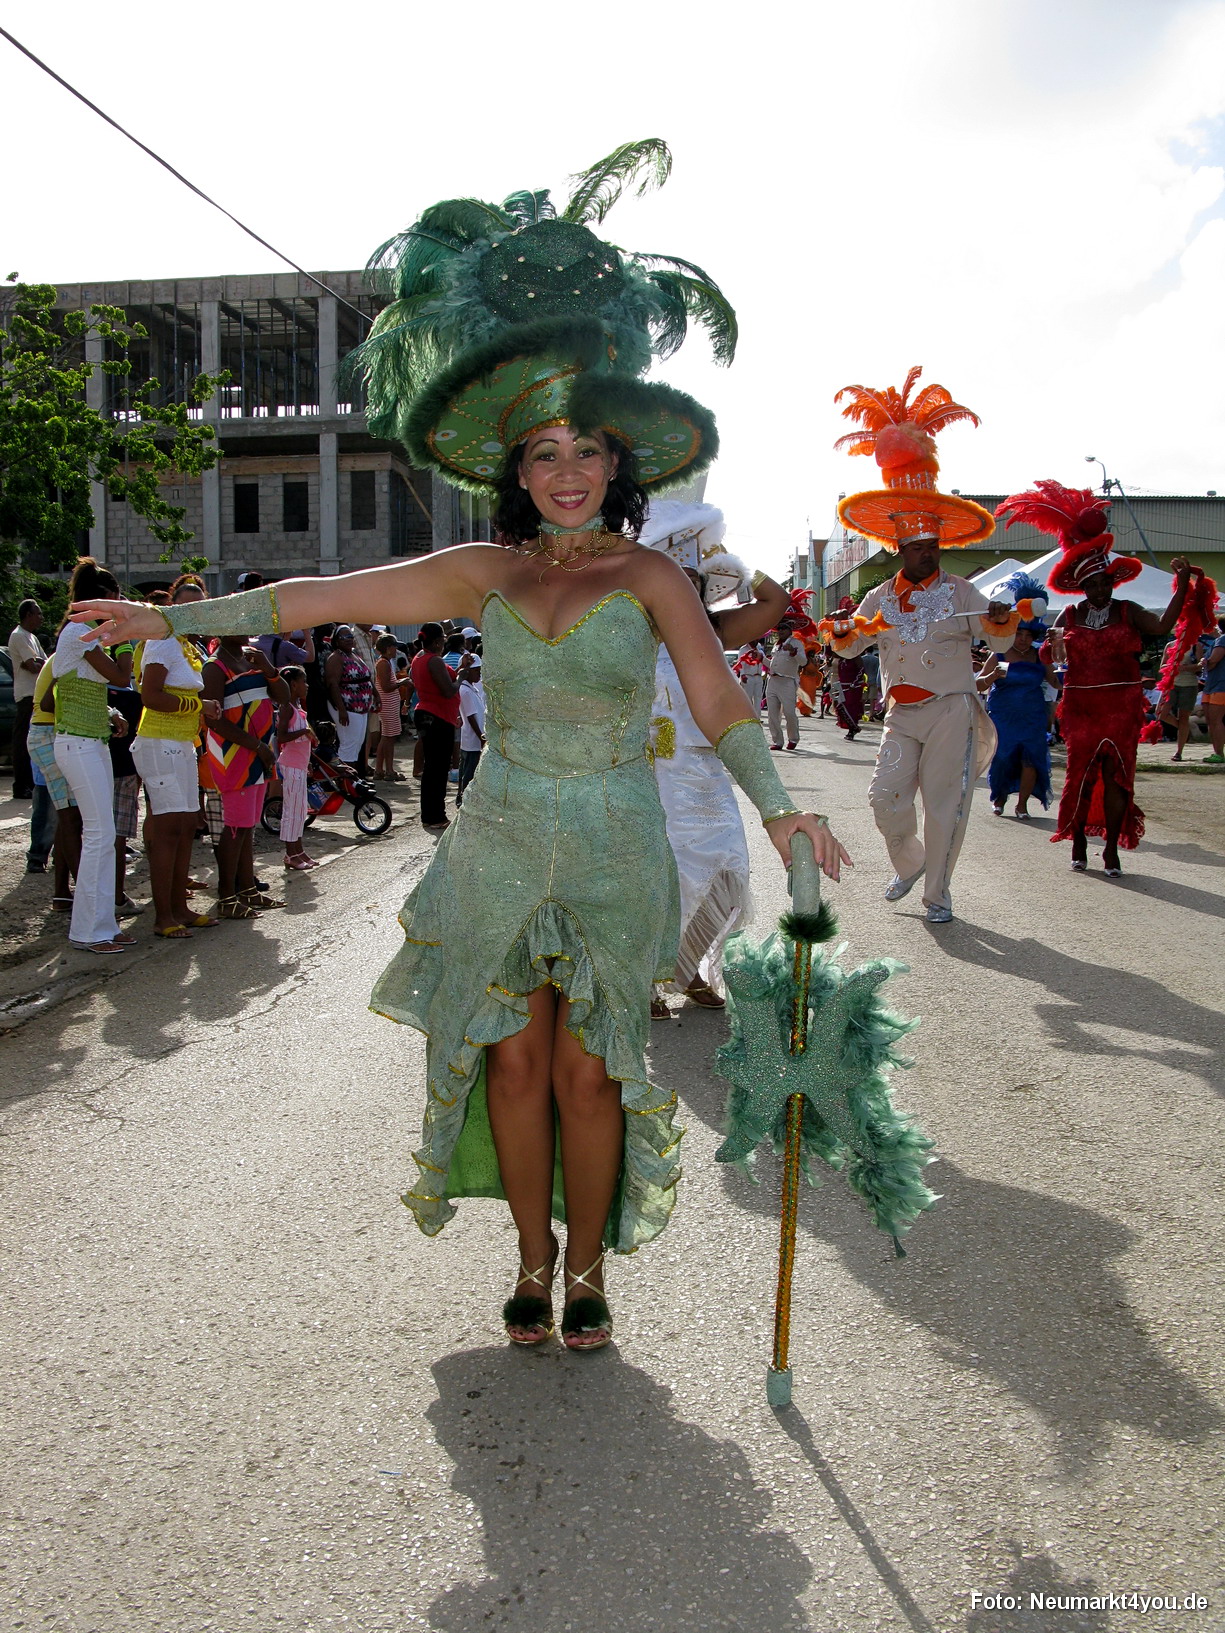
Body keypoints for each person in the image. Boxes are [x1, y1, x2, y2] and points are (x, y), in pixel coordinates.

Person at [69, 141, 847, 1353]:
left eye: (589, 450)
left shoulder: (653, 577)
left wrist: (782, 810)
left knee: (592, 1071)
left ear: (618, 463)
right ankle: (530, 1261)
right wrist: (166, 617)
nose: (570, 470)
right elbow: (314, 600)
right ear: (516, 469)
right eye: (546, 452)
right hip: (497, 837)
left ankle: (589, 1267)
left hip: (608, 840)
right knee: (515, 1067)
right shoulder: (479, 571)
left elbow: (716, 702)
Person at [820, 369, 1018, 923]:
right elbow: (851, 646)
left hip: (952, 710)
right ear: (900, 547)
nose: (924, 554)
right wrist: (842, 634)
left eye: (931, 545)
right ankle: (910, 863)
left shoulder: (961, 591)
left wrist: (1002, 621)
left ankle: (937, 893)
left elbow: (997, 633)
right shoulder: (880, 594)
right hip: (901, 713)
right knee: (885, 798)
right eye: (914, 546)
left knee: (946, 808)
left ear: (940, 543)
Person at [996, 479, 1193, 876]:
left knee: (1118, 778)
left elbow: (1162, 627)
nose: (1101, 589)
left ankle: (1112, 852)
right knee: (1082, 777)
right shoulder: (1069, 617)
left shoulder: (1129, 610)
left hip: (1121, 705)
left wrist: (1183, 586)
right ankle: (1081, 842)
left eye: (1105, 582)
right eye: (1093, 584)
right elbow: (1046, 654)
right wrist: (1047, 650)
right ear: (1082, 587)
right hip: (1083, 706)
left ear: (1113, 581)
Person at [637, 500, 789, 1015]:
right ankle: (649, 980)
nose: (680, 588)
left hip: (703, 775)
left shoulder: (712, 633)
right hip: (645, 777)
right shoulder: (625, 634)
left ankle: (689, 967)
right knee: (661, 876)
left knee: (727, 867)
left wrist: (720, 553)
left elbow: (775, 599)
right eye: (669, 577)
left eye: (690, 579)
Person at [52, 558, 134, 953]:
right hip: (76, 743)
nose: (119, 610)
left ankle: (103, 924)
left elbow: (83, 686)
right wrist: (127, 640)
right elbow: (121, 677)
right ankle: (88, 930)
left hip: (91, 740)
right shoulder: (79, 632)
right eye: (115, 603)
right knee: (100, 834)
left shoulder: (84, 633)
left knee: (103, 835)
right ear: (100, 602)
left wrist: (110, 714)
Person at [132, 615, 219, 936]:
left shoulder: (185, 646)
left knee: (186, 827)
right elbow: (151, 696)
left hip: (182, 744)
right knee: (168, 830)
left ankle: (179, 908)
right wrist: (198, 706)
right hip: (158, 743)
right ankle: (162, 917)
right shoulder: (161, 642)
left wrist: (199, 707)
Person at [203, 637, 289, 916]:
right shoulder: (215, 668)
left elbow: (284, 696)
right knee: (235, 826)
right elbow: (213, 719)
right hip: (235, 754)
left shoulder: (253, 659)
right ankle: (227, 897)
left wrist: (268, 668)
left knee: (247, 825)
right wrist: (258, 747)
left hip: (258, 754)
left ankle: (248, 890)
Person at [976, 576, 1055, 819]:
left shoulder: (1041, 655)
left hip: (1032, 715)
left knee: (1031, 758)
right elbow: (978, 683)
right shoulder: (999, 652)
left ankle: (1022, 805)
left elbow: (1056, 683)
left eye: (1028, 635)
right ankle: (999, 797)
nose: (1023, 639)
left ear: (1034, 636)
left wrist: (1063, 656)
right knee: (1002, 757)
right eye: (1019, 633)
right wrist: (992, 676)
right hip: (1003, 714)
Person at [410, 623, 461, 831]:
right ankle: (436, 815)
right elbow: (448, 690)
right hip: (437, 716)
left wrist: (458, 671)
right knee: (438, 769)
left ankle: (429, 814)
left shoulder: (419, 658)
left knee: (432, 768)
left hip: (426, 714)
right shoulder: (434, 660)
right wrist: (463, 677)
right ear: (439, 641)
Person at [276, 665, 318, 869]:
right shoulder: (287, 709)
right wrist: (303, 733)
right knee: (291, 811)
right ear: (293, 685)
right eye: (304, 681)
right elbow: (281, 737)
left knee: (300, 811)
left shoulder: (299, 709)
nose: (307, 685)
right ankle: (290, 853)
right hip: (291, 766)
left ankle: (299, 851)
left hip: (300, 766)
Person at [7, 598, 46, 798]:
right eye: (38, 613)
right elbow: (33, 666)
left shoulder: (32, 637)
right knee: (22, 742)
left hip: (36, 695)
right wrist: (35, 663)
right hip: (26, 695)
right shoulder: (19, 636)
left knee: (34, 742)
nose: (41, 617)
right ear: (28, 615)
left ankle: (30, 783)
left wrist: (36, 662)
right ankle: (21, 785)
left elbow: (44, 664)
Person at [324, 625, 376, 769]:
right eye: (344, 637)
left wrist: (376, 695)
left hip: (362, 707)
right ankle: (344, 779)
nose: (349, 640)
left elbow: (367, 677)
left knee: (357, 743)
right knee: (348, 743)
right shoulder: (336, 658)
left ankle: (352, 778)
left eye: (350, 637)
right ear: (336, 640)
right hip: (347, 707)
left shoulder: (354, 655)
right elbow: (332, 684)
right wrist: (341, 709)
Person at [1160, 633, 1203, 761]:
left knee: (1183, 717)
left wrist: (1185, 668)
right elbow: (1162, 666)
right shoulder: (1170, 645)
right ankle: (1184, 731)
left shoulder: (1196, 645)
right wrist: (1171, 667)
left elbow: (1200, 665)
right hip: (1171, 683)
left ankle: (1179, 752)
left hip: (1189, 685)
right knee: (1162, 713)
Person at [373, 633, 410, 781]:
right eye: (394, 646)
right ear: (388, 648)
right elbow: (386, 687)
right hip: (387, 704)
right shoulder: (383, 663)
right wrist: (402, 682)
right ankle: (388, 770)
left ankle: (380, 770)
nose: (396, 650)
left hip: (389, 704)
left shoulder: (385, 662)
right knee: (389, 738)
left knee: (386, 737)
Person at [764, 618, 804, 750]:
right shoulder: (776, 645)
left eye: (784, 628)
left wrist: (793, 652)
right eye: (779, 628)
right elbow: (772, 665)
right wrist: (761, 659)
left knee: (789, 712)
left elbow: (803, 662)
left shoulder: (796, 643)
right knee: (772, 714)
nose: (780, 631)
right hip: (773, 681)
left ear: (790, 630)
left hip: (787, 681)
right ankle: (777, 741)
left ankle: (793, 738)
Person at [456, 657, 486, 805]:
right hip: (472, 739)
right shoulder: (465, 691)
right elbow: (470, 717)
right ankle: (463, 801)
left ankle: (463, 799)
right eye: (476, 671)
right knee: (468, 772)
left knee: (468, 770)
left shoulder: (471, 688)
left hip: (474, 738)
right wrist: (481, 737)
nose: (478, 675)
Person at [1201, 616, 1225, 763]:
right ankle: (1217, 751)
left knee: (1216, 720)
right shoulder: (1218, 640)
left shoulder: (1222, 640)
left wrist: (1205, 663)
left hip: (1220, 684)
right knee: (1210, 720)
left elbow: (1214, 660)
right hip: (1211, 684)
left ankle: (1220, 753)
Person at [735, 641, 767, 714]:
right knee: (748, 699)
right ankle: (747, 717)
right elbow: (740, 662)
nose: (755, 640)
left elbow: (763, 660)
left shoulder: (759, 648)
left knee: (758, 699)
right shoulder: (743, 649)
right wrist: (742, 675)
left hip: (758, 676)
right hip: (748, 676)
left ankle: (757, 718)